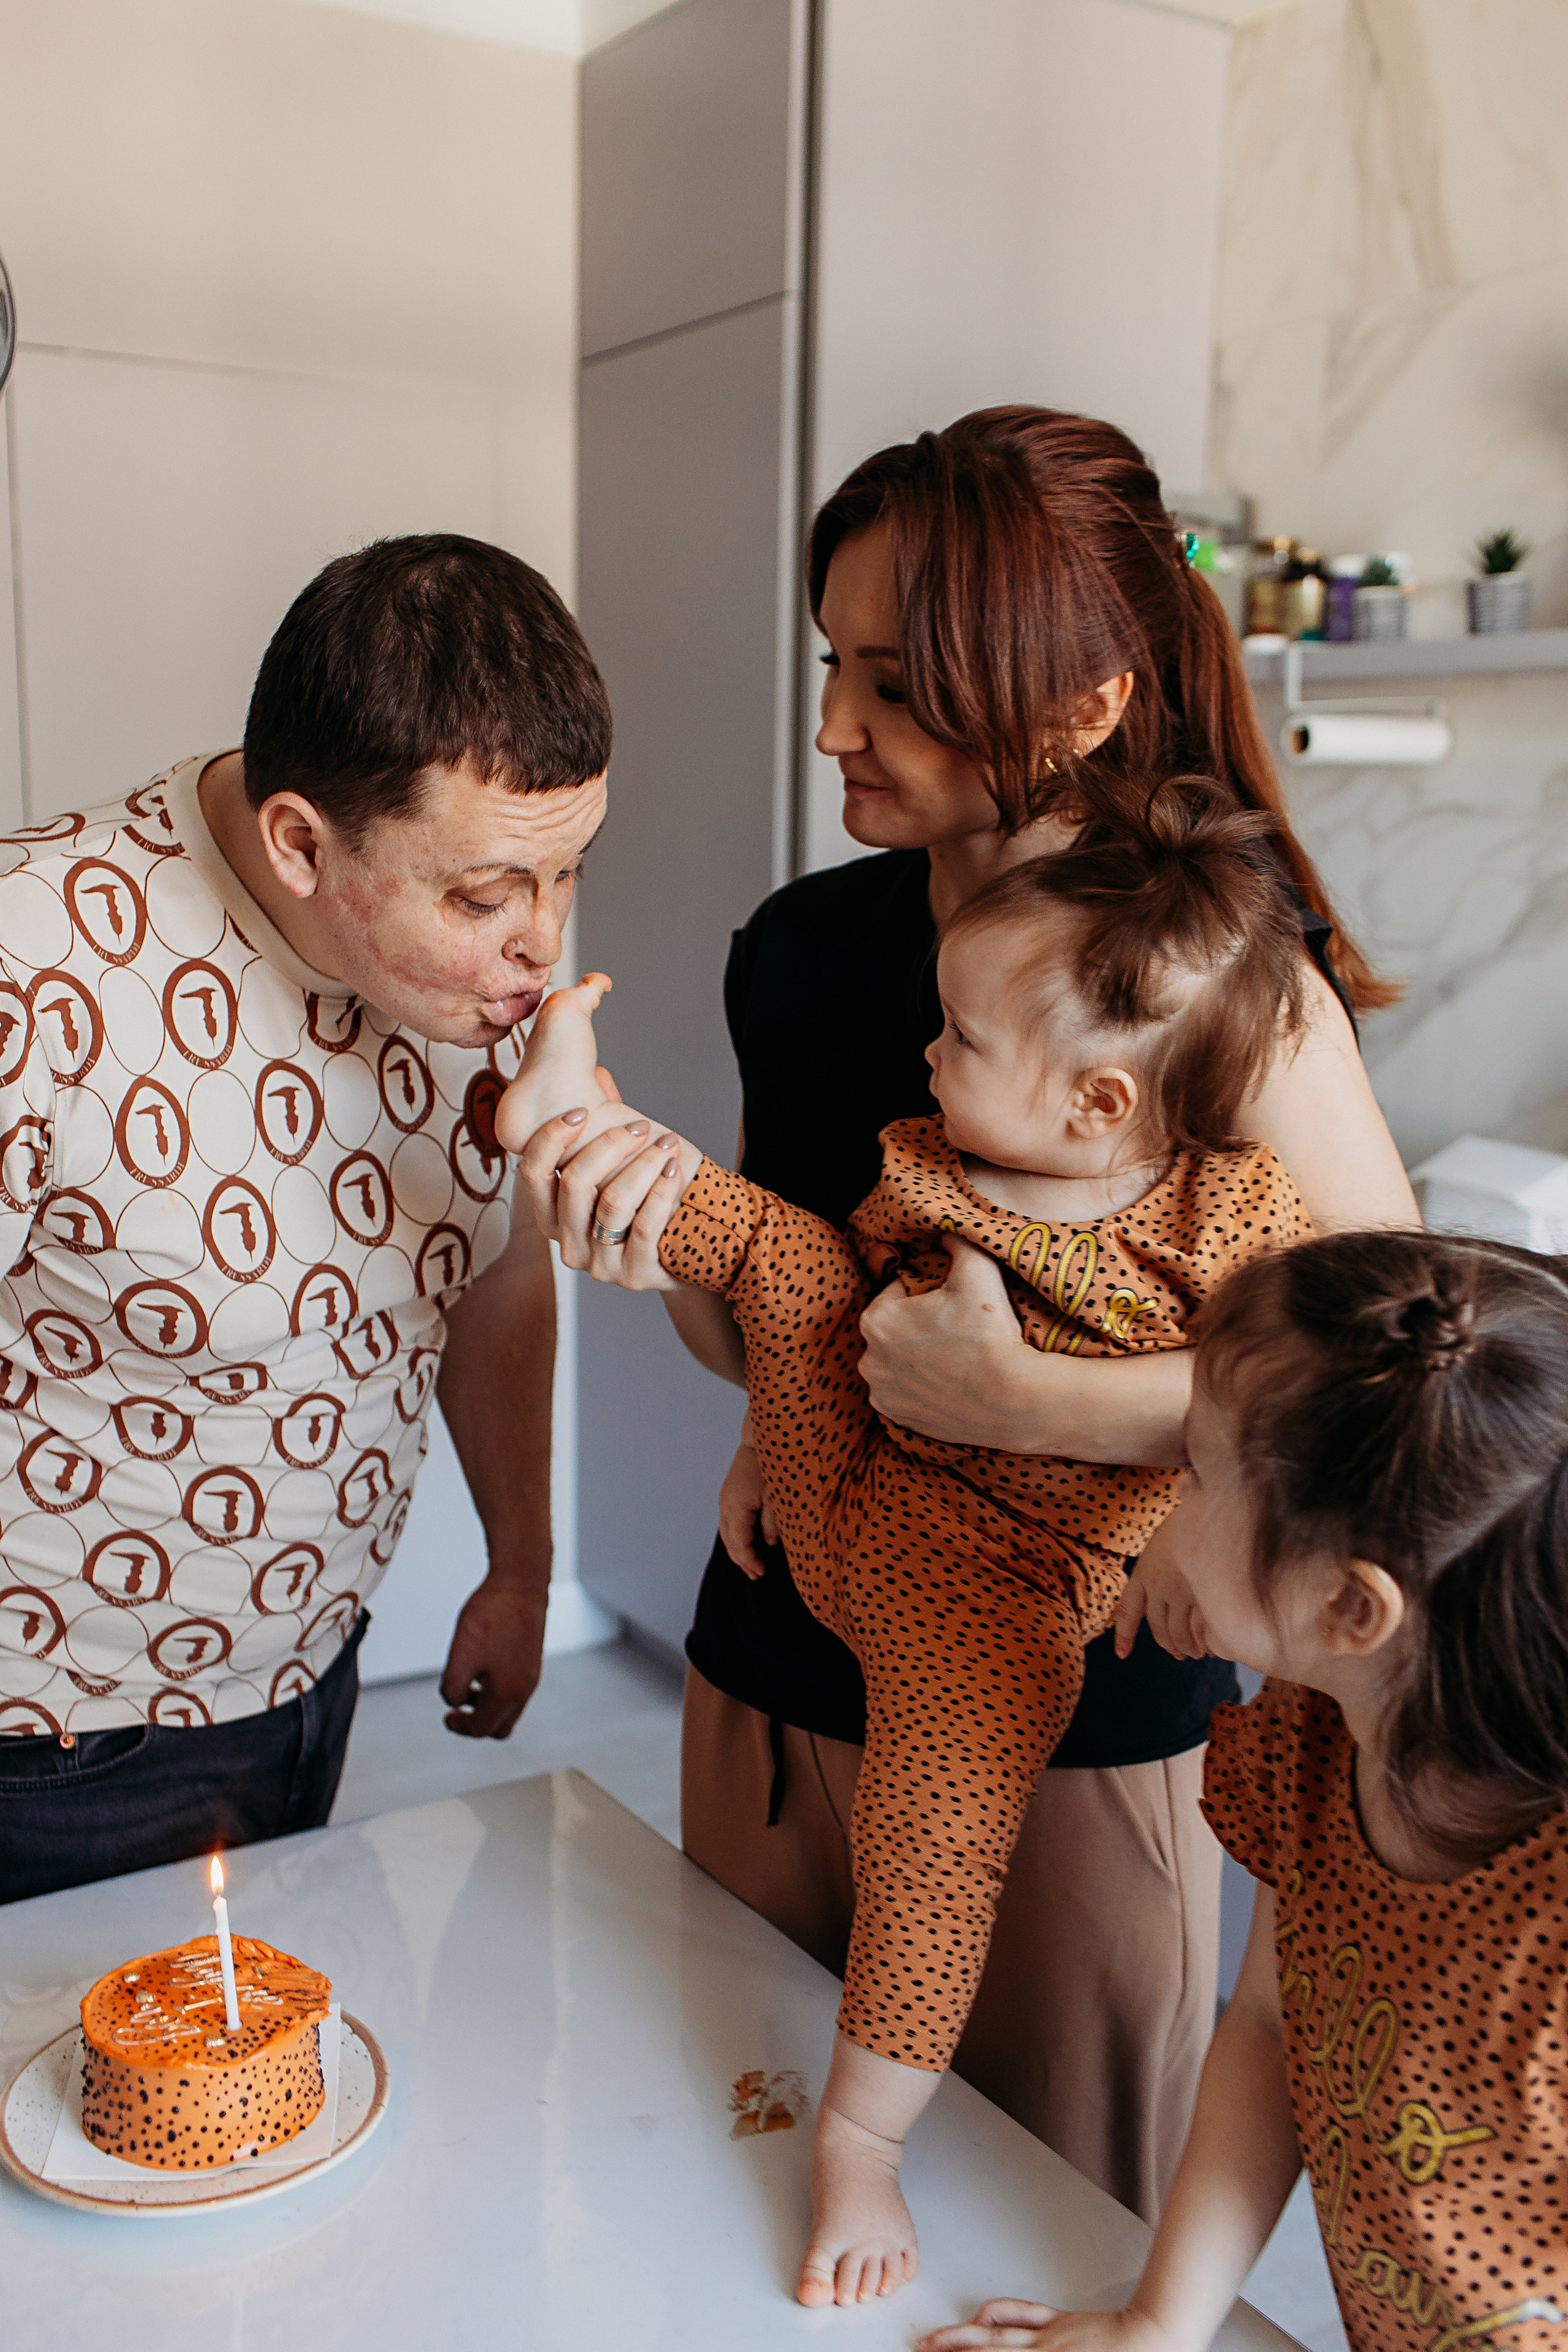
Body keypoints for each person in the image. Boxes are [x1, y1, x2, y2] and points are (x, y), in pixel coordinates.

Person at [519, 407, 1419, 2222]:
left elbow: (1389, 1391)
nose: (837, 726)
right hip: (771, 1683)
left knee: (1045, 2238)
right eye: (833, 667)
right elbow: (769, 1324)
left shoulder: (1221, 985)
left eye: (900, 684)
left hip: (1079, 1736)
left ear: (1086, 699)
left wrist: (1035, 1405)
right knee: (719, 2191)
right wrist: (653, 1244)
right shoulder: (805, 948)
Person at [503, 788, 1314, 2307]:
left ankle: (858, 2143)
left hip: (989, 1612)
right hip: (838, 1495)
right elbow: (815, 1303)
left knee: (928, 1868)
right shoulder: (932, 1157)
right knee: (780, 1241)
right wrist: (771, 1429)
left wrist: (1178, 1542)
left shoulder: (1233, 1220)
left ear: (1094, 1104)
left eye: (960, 1038)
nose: (928, 1055)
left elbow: (1260, 1411)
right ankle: (570, 1123)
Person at [0, 532, 611, 1903]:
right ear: (297, 843)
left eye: (567, 871)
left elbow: (494, 1272)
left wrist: (524, 1568)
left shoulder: (485, 992)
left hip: (313, 1672)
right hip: (58, 1744)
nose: (542, 939)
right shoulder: (30, 969)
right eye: (485, 895)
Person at [921, 1228, 1568, 2352]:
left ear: (1351, 1611)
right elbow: (1269, 2024)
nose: (1168, 1497)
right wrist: (1161, 2323)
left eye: (1203, 1471)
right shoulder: (1319, 1742)